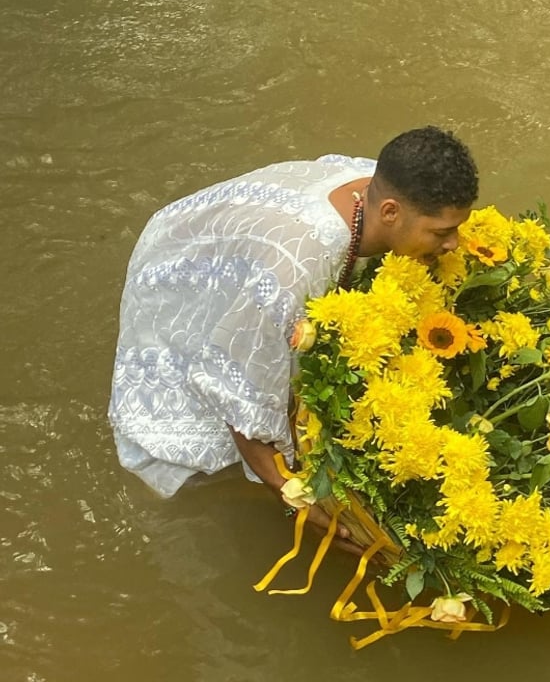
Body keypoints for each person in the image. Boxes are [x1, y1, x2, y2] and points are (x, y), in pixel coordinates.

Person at [108, 125, 479, 541]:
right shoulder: (293, 269)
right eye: (442, 233)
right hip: (183, 269)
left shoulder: (389, 187)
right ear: (390, 212)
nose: (455, 244)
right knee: (210, 433)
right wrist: (298, 498)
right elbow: (239, 394)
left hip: (248, 242)